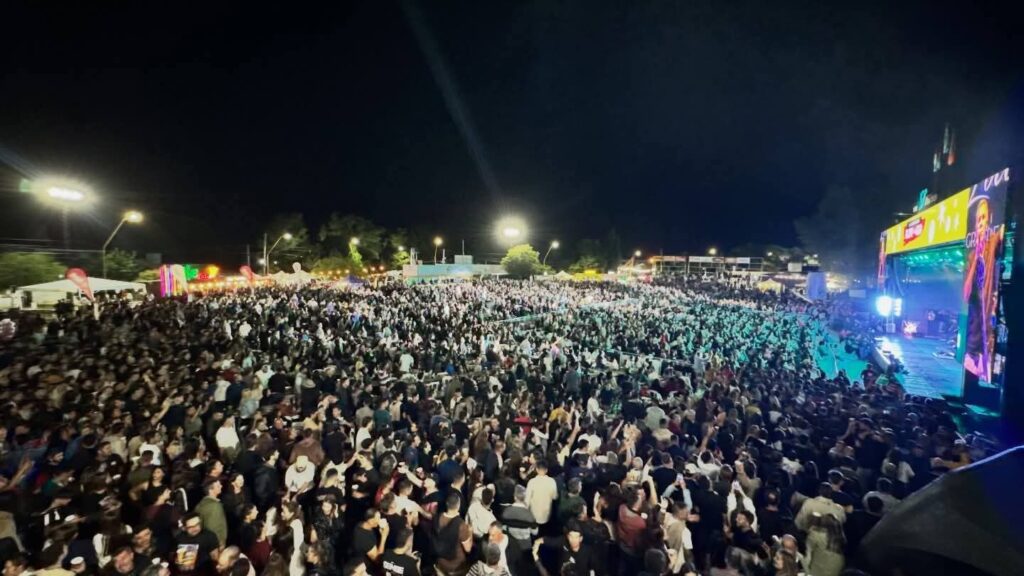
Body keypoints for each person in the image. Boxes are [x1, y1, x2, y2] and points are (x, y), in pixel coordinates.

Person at [196, 480, 228, 548]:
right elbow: (215, 527)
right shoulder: (215, 506)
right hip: (216, 544)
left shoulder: (200, 504)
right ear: (210, 490)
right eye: (218, 486)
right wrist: (220, 543)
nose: (221, 486)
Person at [524, 461, 557, 529]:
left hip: (533, 514)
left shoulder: (532, 482)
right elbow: (555, 497)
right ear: (546, 470)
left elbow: (527, 500)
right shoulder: (552, 481)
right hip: (546, 514)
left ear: (536, 469)